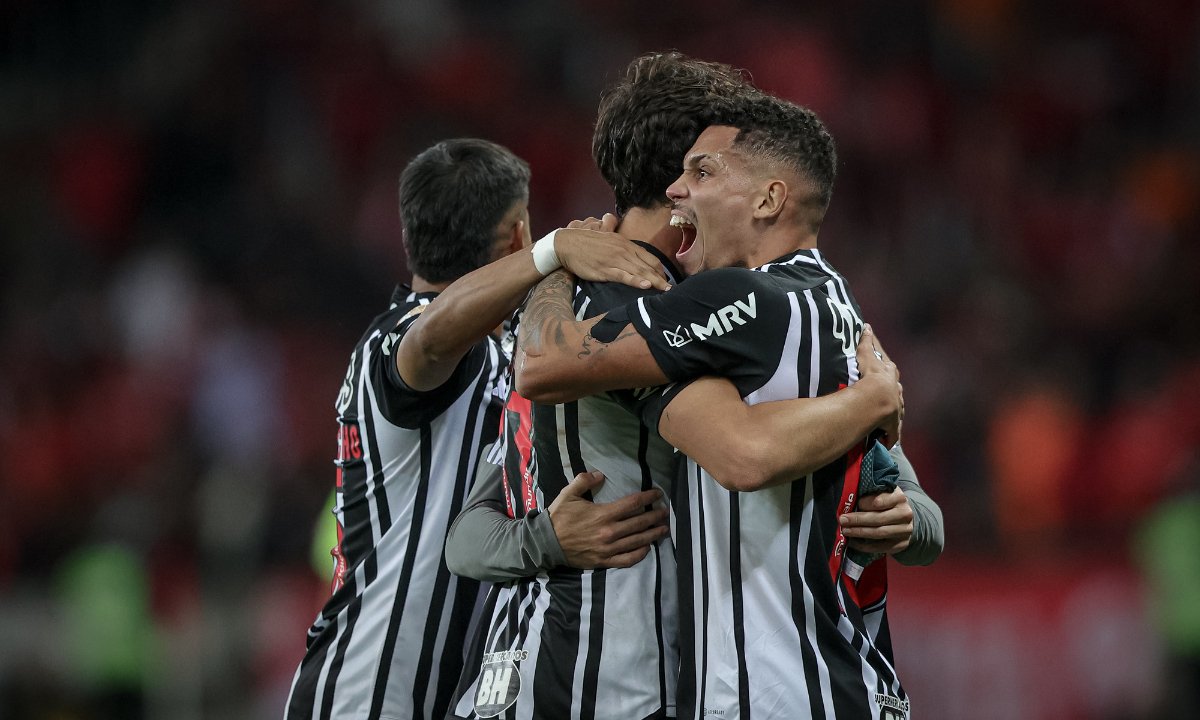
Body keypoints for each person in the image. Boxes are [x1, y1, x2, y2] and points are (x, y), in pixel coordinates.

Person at [444, 54, 939, 720]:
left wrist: (904, 505)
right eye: (697, 167)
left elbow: (469, 532)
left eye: (708, 170)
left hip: (524, 681)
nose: (691, 186)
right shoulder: (664, 315)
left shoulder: (694, 309)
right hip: (607, 691)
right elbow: (744, 451)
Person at [283, 137, 671, 720]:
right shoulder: (396, 341)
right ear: (518, 234)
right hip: (371, 691)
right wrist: (554, 252)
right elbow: (431, 335)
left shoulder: (510, 353)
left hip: (448, 692)